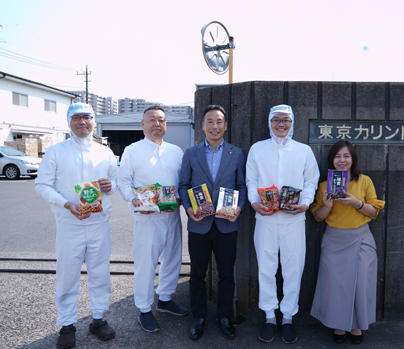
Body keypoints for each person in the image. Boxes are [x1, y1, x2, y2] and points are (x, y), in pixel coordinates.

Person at [34, 103, 117, 349]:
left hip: (99, 222)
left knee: (100, 272)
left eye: (87, 117)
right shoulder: (56, 151)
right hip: (69, 223)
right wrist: (66, 204)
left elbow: (116, 182)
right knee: (67, 274)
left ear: (94, 121)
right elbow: (42, 185)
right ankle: (67, 323)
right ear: (69, 121)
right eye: (77, 118)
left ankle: (98, 318)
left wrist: (110, 186)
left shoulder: (106, 152)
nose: (83, 122)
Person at [246, 104, 320, 344]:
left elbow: (311, 181)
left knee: (293, 268)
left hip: (294, 219)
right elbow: (251, 180)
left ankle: (287, 317)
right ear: (269, 122)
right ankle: (269, 316)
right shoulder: (258, 149)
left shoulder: (304, 151)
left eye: (285, 120)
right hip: (265, 218)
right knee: (266, 267)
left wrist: (306, 203)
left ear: (292, 123)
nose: (281, 124)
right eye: (276, 119)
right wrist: (254, 202)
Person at [117, 105, 188, 333]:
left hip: (172, 215)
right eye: (152, 120)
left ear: (166, 124)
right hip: (147, 218)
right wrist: (134, 200)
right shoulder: (132, 150)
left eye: (161, 120)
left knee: (173, 259)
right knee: (146, 264)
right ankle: (144, 309)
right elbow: (123, 182)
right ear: (143, 124)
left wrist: (181, 199)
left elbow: (183, 183)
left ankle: (165, 299)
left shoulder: (177, 151)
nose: (157, 124)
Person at [178, 105, 246, 340]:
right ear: (203, 125)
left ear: (225, 126)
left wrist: (239, 207)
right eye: (209, 121)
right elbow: (183, 185)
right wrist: (188, 208)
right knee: (197, 273)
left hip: (227, 223)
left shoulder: (236, 153)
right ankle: (199, 318)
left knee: (227, 273)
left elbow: (241, 186)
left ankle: (224, 316)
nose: (214, 126)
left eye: (219, 122)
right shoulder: (191, 153)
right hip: (199, 222)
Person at [309, 140, 385, 344]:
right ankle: (339, 325)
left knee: (361, 284)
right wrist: (326, 205)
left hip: (361, 238)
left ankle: (357, 325)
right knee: (336, 285)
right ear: (331, 160)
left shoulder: (365, 181)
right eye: (337, 156)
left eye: (346, 156)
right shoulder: (325, 185)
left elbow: (374, 211)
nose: (342, 160)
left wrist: (356, 203)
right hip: (334, 239)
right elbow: (318, 217)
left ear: (353, 160)